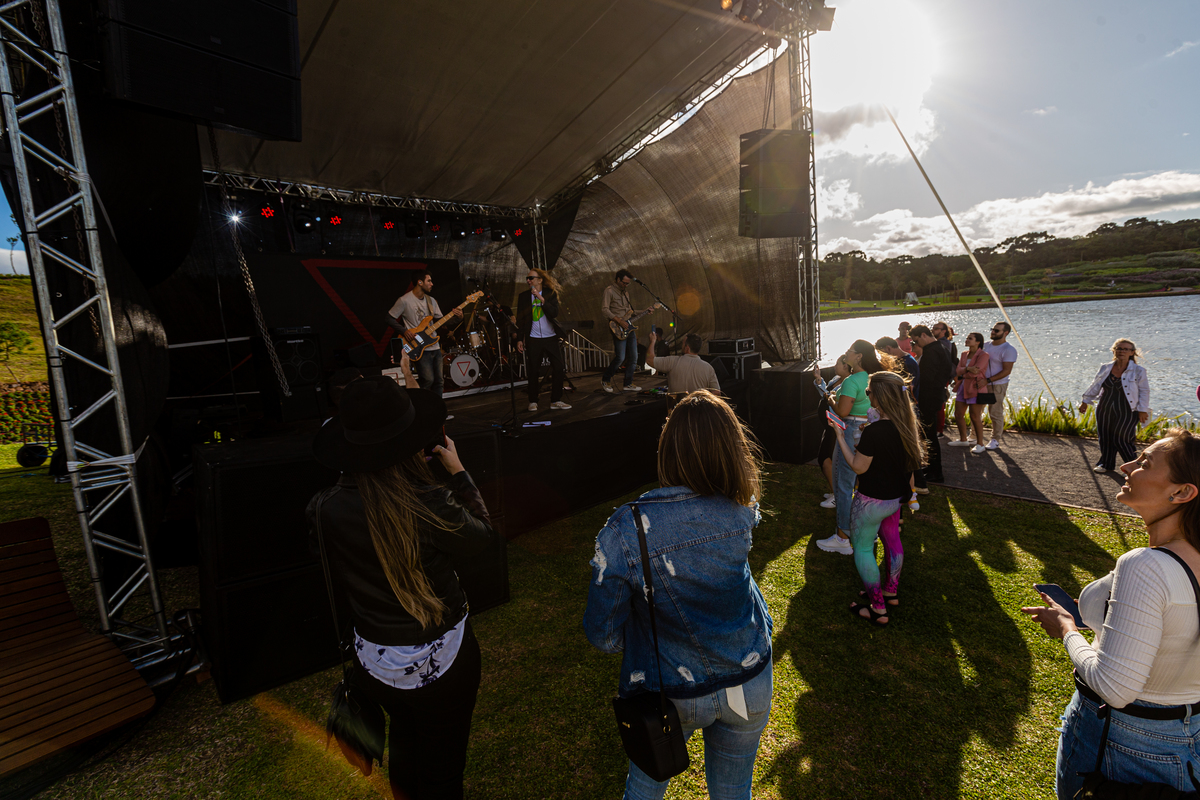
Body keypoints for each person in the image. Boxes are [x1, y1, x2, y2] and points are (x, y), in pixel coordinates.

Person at [308, 376, 495, 800]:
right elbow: (483, 537)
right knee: (443, 771)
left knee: (407, 751)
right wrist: (459, 472)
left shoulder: (325, 507)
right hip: (443, 667)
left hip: (374, 663)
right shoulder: (430, 503)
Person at [583, 390, 774, 800]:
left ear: (667, 449)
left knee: (644, 791)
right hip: (749, 676)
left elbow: (602, 635)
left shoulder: (625, 529)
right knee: (734, 791)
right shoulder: (742, 509)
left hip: (668, 690)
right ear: (732, 448)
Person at [1021, 429, 1200, 798]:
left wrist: (1068, 629)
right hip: (1187, 737)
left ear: (1182, 492)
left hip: (1123, 741)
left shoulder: (1146, 565)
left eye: (1145, 462)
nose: (1126, 465)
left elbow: (1114, 686)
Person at [829, 371, 926, 625]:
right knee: (893, 542)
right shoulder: (906, 426)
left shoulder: (875, 432)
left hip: (871, 501)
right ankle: (890, 592)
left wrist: (840, 436)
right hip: (895, 500)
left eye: (869, 391)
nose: (866, 394)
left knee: (862, 549)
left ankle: (878, 608)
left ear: (880, 396)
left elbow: (858, 467)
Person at [817, 340, 887, 555]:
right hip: (872, 428)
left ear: (858, 356)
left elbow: (843, 411)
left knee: (843, 485)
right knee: (866, 485)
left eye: (850, 350)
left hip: (850, 431)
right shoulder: (875, 377)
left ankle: (843, 537)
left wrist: (830, 400)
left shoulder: (852, 381)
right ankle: (869, 533)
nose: (846, 352)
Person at [386, 269, 463, 400]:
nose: (432, 284)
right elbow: (389, 318)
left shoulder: (431, 301)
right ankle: (421, 408)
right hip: (419, 347)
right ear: (420, 282)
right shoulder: (404, 300)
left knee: (439, 381)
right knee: (427, 380)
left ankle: (437, 410)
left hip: (434, 346)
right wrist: (404, 331)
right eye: (429, 281)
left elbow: (441, 321)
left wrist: (458, 318)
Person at [1080, 338, 1150, 473]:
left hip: (1128, 409)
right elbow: (1095, 385)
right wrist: (1085, 402)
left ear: (1132, 353)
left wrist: (1143, 410)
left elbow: (1144, 391)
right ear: (1114, 351)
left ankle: (1134, 468)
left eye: (1125, 349)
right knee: (1105, 436)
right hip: (1105, 406)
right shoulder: (1105, 367)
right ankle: (1106, 464)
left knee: (1121, 438)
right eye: (1119, 348)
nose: (1121, 351)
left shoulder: (1138, 370)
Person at [516, 268, 571, 413]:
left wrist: (540, 299)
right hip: (533, 338)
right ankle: (533, 401)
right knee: (533, 370)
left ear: (540, 280)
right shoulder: (523, 297)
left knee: (559, 368)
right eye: (527, 279)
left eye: (531, 278)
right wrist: (520, 339)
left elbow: (554, 312)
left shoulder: (550, 294)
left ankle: (556, 400)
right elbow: (521, 320)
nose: (528, 281)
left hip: (550, 337)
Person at [908, 325, 952, 489]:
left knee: (930, 436)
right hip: (936, 396)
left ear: (924, 335)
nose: (916, 343)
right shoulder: (942, 347)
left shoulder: (932, 351)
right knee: (929, 435)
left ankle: (936, 472)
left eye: (916, 339)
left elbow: (927, 378)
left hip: (929, 398)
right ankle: (932, 468)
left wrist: (915, 392)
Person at [601, 269, 656, 393]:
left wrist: (644, 311)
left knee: (634, 356)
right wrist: (619, 321)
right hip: (616, 326)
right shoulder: (609, 291)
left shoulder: (626, 293)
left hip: (629, 326)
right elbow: (605, 310)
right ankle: (606, 379)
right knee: (620, 357)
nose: (625, 285)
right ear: (618, 280)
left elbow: (629, 312)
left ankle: (628, 383)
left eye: (628, 284)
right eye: (624, 283)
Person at [814, 356, 852, 509]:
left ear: (847, 367)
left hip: (836, 426)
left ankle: (838, 496)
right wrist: (819, 380)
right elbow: (826, 394)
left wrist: (828, 397)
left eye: (838, 364)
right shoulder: (837, 378)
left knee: (826, 460)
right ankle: (834, 491)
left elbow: (835, 401)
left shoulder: (848, 384)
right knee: (825, 458)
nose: (835, 366)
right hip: (829, 425)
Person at [948, 333, 991, 454]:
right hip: (963, 386)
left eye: (970, 338)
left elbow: (975, 373)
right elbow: (958, 371)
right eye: (967, 338)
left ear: (978, 342)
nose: (967, 340)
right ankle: (963, 439)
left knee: (974, 416)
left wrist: (963, 372)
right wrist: (967, 369)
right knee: (958, 414)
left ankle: (980, 444)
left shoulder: (984, 355)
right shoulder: (963, 354)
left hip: (975, 387)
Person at [645, 331, 720, 394]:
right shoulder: (708, 367)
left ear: (687, 348)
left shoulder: (673, 362)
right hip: (699, 410)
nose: (681, 346)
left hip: (677, 409)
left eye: (683, 344)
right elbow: (716, 393)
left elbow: (649, 360)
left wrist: (652, 341)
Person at [982, 321, 1018, 451]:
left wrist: (988, 380)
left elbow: (1006, 371)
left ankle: (995, 439)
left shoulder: (1009, 349)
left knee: (995, 412)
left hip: (997, 385)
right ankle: (974, 437)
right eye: (992, 329)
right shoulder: (985, 346)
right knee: (976, 410)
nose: (993, 332)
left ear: (1005, 333)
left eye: (996, 331)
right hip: (981, 384)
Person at [932, 322, 958, 435]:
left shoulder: (947, 345)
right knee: (936, 402)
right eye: (933, 328)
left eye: (936, 329)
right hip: (935, 376)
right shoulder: (934, 343)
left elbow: (952, 363)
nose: (933, 330)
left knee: (939, 402)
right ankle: (937, 427)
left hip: (942, 378)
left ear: (944, 331)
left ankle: (939, 429)